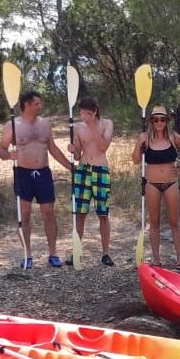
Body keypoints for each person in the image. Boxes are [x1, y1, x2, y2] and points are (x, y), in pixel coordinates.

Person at [0, 89, 73, 269]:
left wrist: (71, 168)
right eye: (37, 104)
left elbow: (53, 149)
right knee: (25, 214)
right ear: (27, 105)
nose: (41, 106)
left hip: (43, 173)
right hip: (23, 173)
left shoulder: (45, 124)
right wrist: (8, 155)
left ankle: (53, 254)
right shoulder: (12, 126)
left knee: (49, 213)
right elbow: (1, 150)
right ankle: (27, 255)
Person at [132, 105, 180, 269]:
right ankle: (156, 259)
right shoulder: (145, 138)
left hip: (171, 183)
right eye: (156, 119)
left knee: (174, 222)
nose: (159, 122)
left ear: (166, 121)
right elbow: (135, 160)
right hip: (152, 184)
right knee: (154, 222)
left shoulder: (172, 137)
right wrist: (137, 144)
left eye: (162, 119)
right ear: (151, 121)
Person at [68, 97, 115, 266]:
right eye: (80, 113)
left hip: (101, 170)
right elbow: (78, 155)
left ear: (94, 111)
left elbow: (103, 146)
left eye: (86, 113)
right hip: (83, 170)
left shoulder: (107, 124)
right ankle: (76, 252)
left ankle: (106, 254)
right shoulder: (78, 127)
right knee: (79, 213)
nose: (82, 116)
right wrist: (73, 151)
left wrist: (92, 126)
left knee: (103, 213)